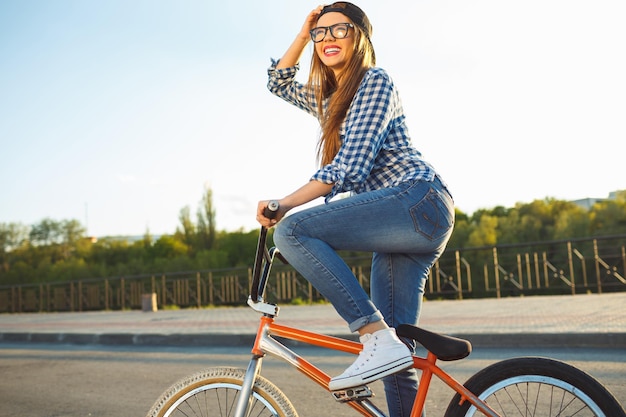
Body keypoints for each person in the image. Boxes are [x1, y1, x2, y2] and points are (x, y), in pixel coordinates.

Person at [257, 3, 454, 416]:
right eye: (320, 33)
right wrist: (302, 31)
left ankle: (370, 334)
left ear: (360, 36)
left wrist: (285, 203)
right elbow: (278, 82)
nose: (327, 39)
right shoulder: (329, 98)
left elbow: (350, 166)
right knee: (396, 353)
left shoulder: (375, 82)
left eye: (338, 30)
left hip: (416, 200)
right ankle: (383, 344)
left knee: (292, 231)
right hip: (399, 221)